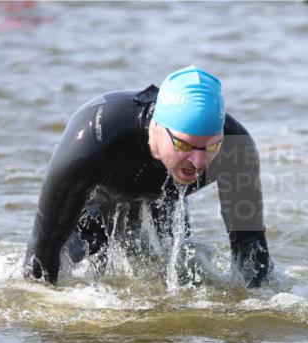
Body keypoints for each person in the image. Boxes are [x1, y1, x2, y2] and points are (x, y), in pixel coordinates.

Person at [24, 66, 272, 287]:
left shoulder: (236, 147)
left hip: (164, 210)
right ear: (157, 126)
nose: (199, 163)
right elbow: (41, 251)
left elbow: (251, 249)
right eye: (185, 146)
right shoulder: (95, 138)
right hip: (94, 215)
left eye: (211, 147)